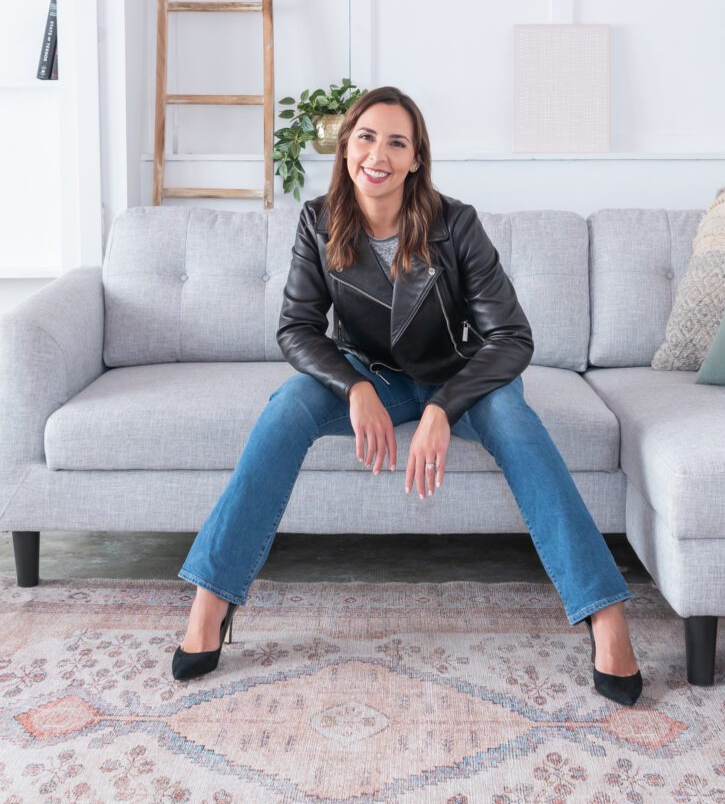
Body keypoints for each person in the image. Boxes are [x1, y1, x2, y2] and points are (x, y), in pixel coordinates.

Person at [173, 86, 642, 705]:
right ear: (346, 149)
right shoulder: (318, 221)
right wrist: (356, 386)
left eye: (398, 142)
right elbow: (297, 328)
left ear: (417, 158)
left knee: (519, 423)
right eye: (366, 137)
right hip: (371, 376)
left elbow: (512, 337)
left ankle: (604, 614)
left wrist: (442, 409)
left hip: (460, 378)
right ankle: (213, 600)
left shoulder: (456, 224)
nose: (379, 155)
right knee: (287, 405)